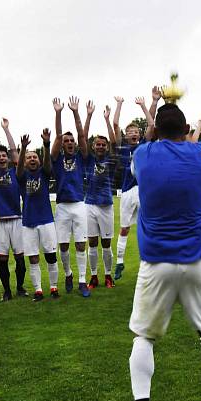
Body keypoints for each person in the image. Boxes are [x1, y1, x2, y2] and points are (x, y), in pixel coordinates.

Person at [125, 101, 201, 401]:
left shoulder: (143, 155)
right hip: (198, 261)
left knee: (144, 337)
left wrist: (154, 112)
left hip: (156, 261)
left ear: (156, 130)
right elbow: (199, 155)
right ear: (187, 129)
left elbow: (147, 148)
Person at [114, 87, 160, 281]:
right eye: (129, 132)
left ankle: (154, 260)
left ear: (139, 134)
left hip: (144, 189)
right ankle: (119, 262)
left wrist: (150, 103)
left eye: (135, 131)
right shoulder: (122, 147)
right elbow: (115, 124)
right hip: (127, 191)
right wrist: (119, 104)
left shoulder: (144, 145)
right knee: (124, 228)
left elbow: (152, 124)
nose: (133, 133)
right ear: (125, 136)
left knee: (150, 224)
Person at [0, 119, 28, 301]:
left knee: (19, 258)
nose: (2, 158)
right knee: (2, 259)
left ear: (8, 158)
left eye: (4, 156)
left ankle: (20, 287)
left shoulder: (15, 173)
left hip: (17, 219)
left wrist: (7, 129)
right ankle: (7, 291)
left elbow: (16, 153)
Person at [51, 97, 91, 298]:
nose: (68, 143)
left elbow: (82, 135)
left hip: (79, 205)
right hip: (62, 207)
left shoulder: (81, 158)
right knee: (64, 245)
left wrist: (76, 112)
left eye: (70, 141)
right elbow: (57, 137)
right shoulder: (57, 159)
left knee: (81, 244)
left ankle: (82, 281)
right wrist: (58, 112)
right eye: (65, 141)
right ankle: (68, 274)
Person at [17, 128, 60, 301]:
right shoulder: (22, 175)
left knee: (50, 256)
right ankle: (38, 290)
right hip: (28, 222)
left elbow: (48, 164)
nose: (32, 159)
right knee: (33, 258)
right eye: (29, 157)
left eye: (35, 156)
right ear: (25, 161)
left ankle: (54, 287)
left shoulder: (43, 172)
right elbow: (18, 168)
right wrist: (23, 148)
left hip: (46, 221)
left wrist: (46, 144)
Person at [84, 102, 117, 289]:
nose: (101, 146)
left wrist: (106, 119)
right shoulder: (88, 160)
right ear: (93, 146)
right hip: (89, 204)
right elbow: (82, 136)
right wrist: (88, 116)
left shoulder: (111, 160)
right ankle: (94, 277)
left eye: (103, 144)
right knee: (92, 242)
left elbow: (114, 143)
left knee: (106, 243)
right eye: (97, 144)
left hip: (106, 205)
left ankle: (108, 276)